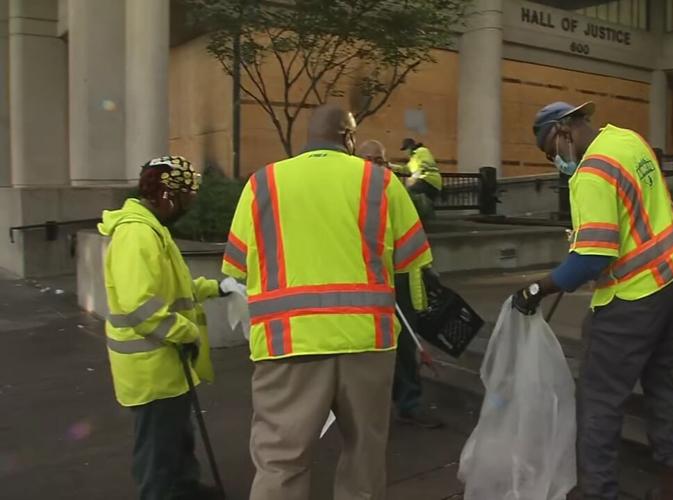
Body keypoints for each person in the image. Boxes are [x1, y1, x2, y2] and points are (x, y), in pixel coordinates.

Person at [222, 105, 433, 500]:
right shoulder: (380, 182)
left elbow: (236, 267)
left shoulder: (261, 183)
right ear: (348, 137)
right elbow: (411, 259)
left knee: (281, 461)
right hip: (365, 341)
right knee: (364, 455)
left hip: (287, 342)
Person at [512, 102, 673, 500]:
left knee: (599, 399)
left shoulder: (591, 172)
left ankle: (598, 492)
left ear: (564, 131)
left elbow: (592, 258)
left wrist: (538, 289)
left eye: (551, 151)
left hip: (634, 297)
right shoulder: (628, 140)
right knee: (663, 380)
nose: (556, 161)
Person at [99, 156, 226, 500]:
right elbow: (140, 306)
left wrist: (217, 288)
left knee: (178, 436)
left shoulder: (152, 230)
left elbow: (172, 289)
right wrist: (186, 332)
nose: (190, 205)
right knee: (158, 451)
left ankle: (184, 488)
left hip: (166, 364)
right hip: (151, 367)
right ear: (168, 195)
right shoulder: (136, 235)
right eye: (187, 197)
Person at [356, 139, 443, 429]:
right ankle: (374, 407)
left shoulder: (393, 189)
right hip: (366, 280)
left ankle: (408, 403)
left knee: (405, 343)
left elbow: (410, 234)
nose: (375, 166)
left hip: (399, 277)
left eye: (380, 161)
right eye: (369, 160)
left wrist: (426, 268)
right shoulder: (351, 192)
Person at [392, 138, 442, 222]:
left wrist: (414, 177)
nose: (405, 152)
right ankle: (427, 219)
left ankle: (416, 216)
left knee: (409, 192)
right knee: (424, 201)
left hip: (429, 180)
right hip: (429, 182)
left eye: (405, 149)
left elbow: (424, 164)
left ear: (410, 147)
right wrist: (392, 166)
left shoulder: (422, 151)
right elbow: (405, 169)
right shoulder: (412, 159)